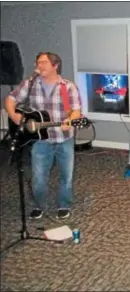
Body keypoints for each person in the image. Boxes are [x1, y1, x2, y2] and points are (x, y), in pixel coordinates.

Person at [5, 52, 82, 219]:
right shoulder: (30, 84)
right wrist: (13, 115)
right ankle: (39, 205)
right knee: (38, 178)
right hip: (40, 140)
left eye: (44, 62)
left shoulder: (67, 87)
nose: (39, 66)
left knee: (66, 175)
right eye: (38, 62)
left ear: (55, 66)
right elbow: (11, 99)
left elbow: (75, 111)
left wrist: (70, 120)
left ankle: (63, 204)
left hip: (64, 138)